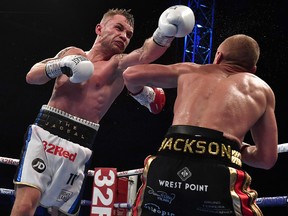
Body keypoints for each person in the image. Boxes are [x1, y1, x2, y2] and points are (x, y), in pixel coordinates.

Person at [10, 5, 195, 216]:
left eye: (128, 34)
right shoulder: (72, 53)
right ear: (99, 28)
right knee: (25, 206)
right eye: (118, 28)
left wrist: (164, 32)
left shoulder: (117, 66)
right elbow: (32, 76)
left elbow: (145, 53)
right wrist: (60, 65)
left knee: (60, 212)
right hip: (44, 136)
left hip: (80, 144)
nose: (123, 36)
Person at [123, 34, 278, 216]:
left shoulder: (191, 70)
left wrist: (146, 97)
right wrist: (238, 148)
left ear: (218, 56)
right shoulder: (261, 89)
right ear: (252, 69)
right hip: (218, 169)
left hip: (168, 160)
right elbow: (267, 159)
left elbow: (130, 74)